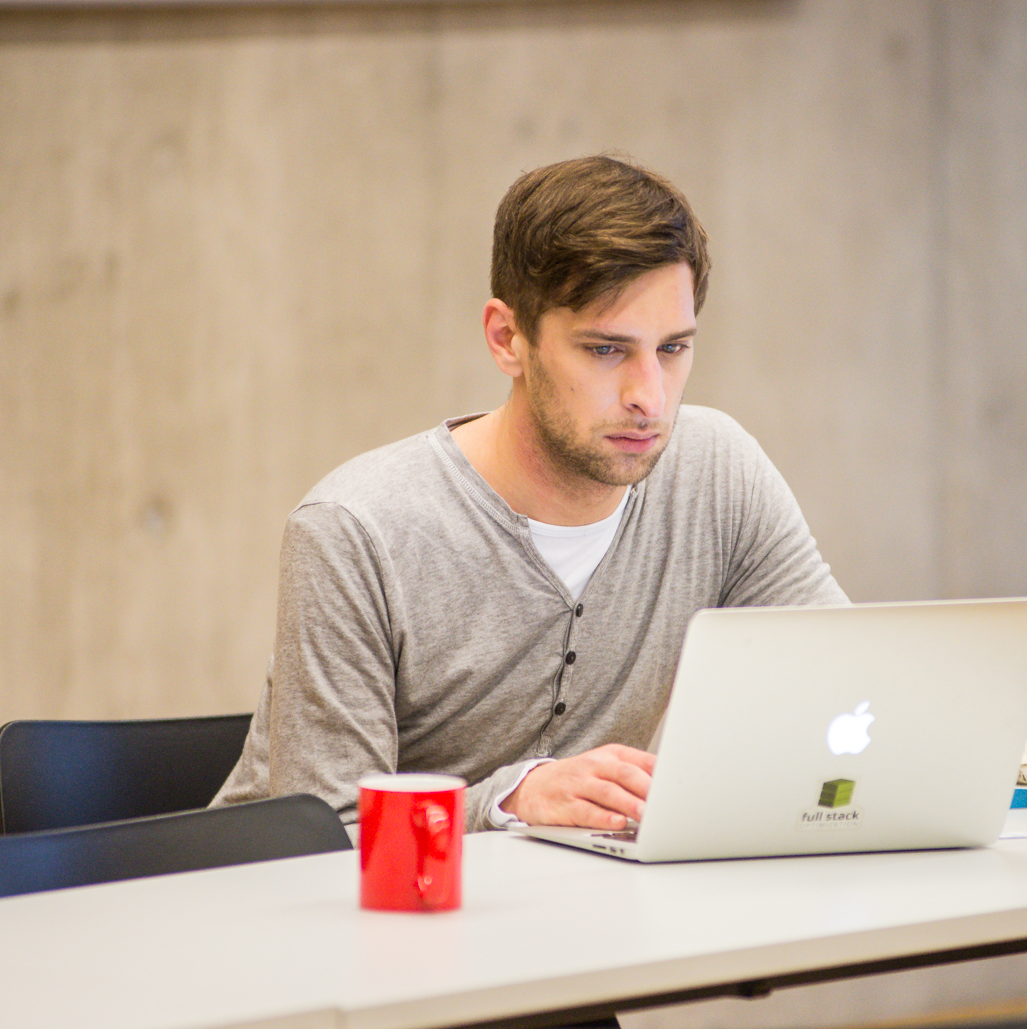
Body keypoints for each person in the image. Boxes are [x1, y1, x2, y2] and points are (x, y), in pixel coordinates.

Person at [213, 155, 848, 831]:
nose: (650, 398)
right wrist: (510, 802)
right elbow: (328, 836)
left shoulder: (716, 473)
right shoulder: (355, 530)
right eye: (605, 350)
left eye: (672, 349)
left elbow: (846, 685)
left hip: (564, 891)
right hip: (277, 890)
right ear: (506, 339)